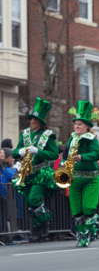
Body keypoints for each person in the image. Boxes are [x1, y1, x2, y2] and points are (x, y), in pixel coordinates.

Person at [12, 97, 59, 241]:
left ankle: (45, 222)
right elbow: (15, 151)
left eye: (34, 120)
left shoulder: (47, 135)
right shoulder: (25, 134)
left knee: (34, 198)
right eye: (31, 120)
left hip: (41, 172)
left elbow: (54, 154)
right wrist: (18, 152)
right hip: (27, 173)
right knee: (28, 201)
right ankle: (36, 230)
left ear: (40, 122)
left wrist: (39, 151)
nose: (32, 122)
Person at [65, 101, 99, 247]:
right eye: (75, 124)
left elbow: (97, 154)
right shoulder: (72, 138)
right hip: (74, 179)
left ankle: (89, 231)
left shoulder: (91, 139)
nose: (77, 126)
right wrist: (63, 163)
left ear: (87, 126)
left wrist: (82, 157)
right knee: (77, 212)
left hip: (90, 179)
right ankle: (82, 235)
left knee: (88, 209)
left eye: (80, 124)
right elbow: (65, 155)